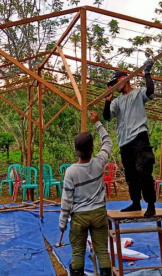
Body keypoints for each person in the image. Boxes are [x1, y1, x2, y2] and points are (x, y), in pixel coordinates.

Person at [59, 110, 113, 276]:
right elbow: (108, 142)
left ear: (76, 150)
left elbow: (66, 201)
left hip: (79, 217)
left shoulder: (71, 172)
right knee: (102, 251)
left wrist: (62, 223)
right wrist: (97, 122)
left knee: (77, 253)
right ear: (92, 149)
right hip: (98, 214)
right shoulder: (99, 162)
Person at [102, 60, 157, 217]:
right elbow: (107, 117)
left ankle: (151, 205)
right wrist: (107, 102)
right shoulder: (117, 101)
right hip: (124, 142)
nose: (113, 87)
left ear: (122, 80)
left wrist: (147, 73)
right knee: (131, 175)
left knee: (144, 171)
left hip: (139, 137)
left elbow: (150, 91)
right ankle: (135, 203)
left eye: (114, 83)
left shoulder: (138, 93)